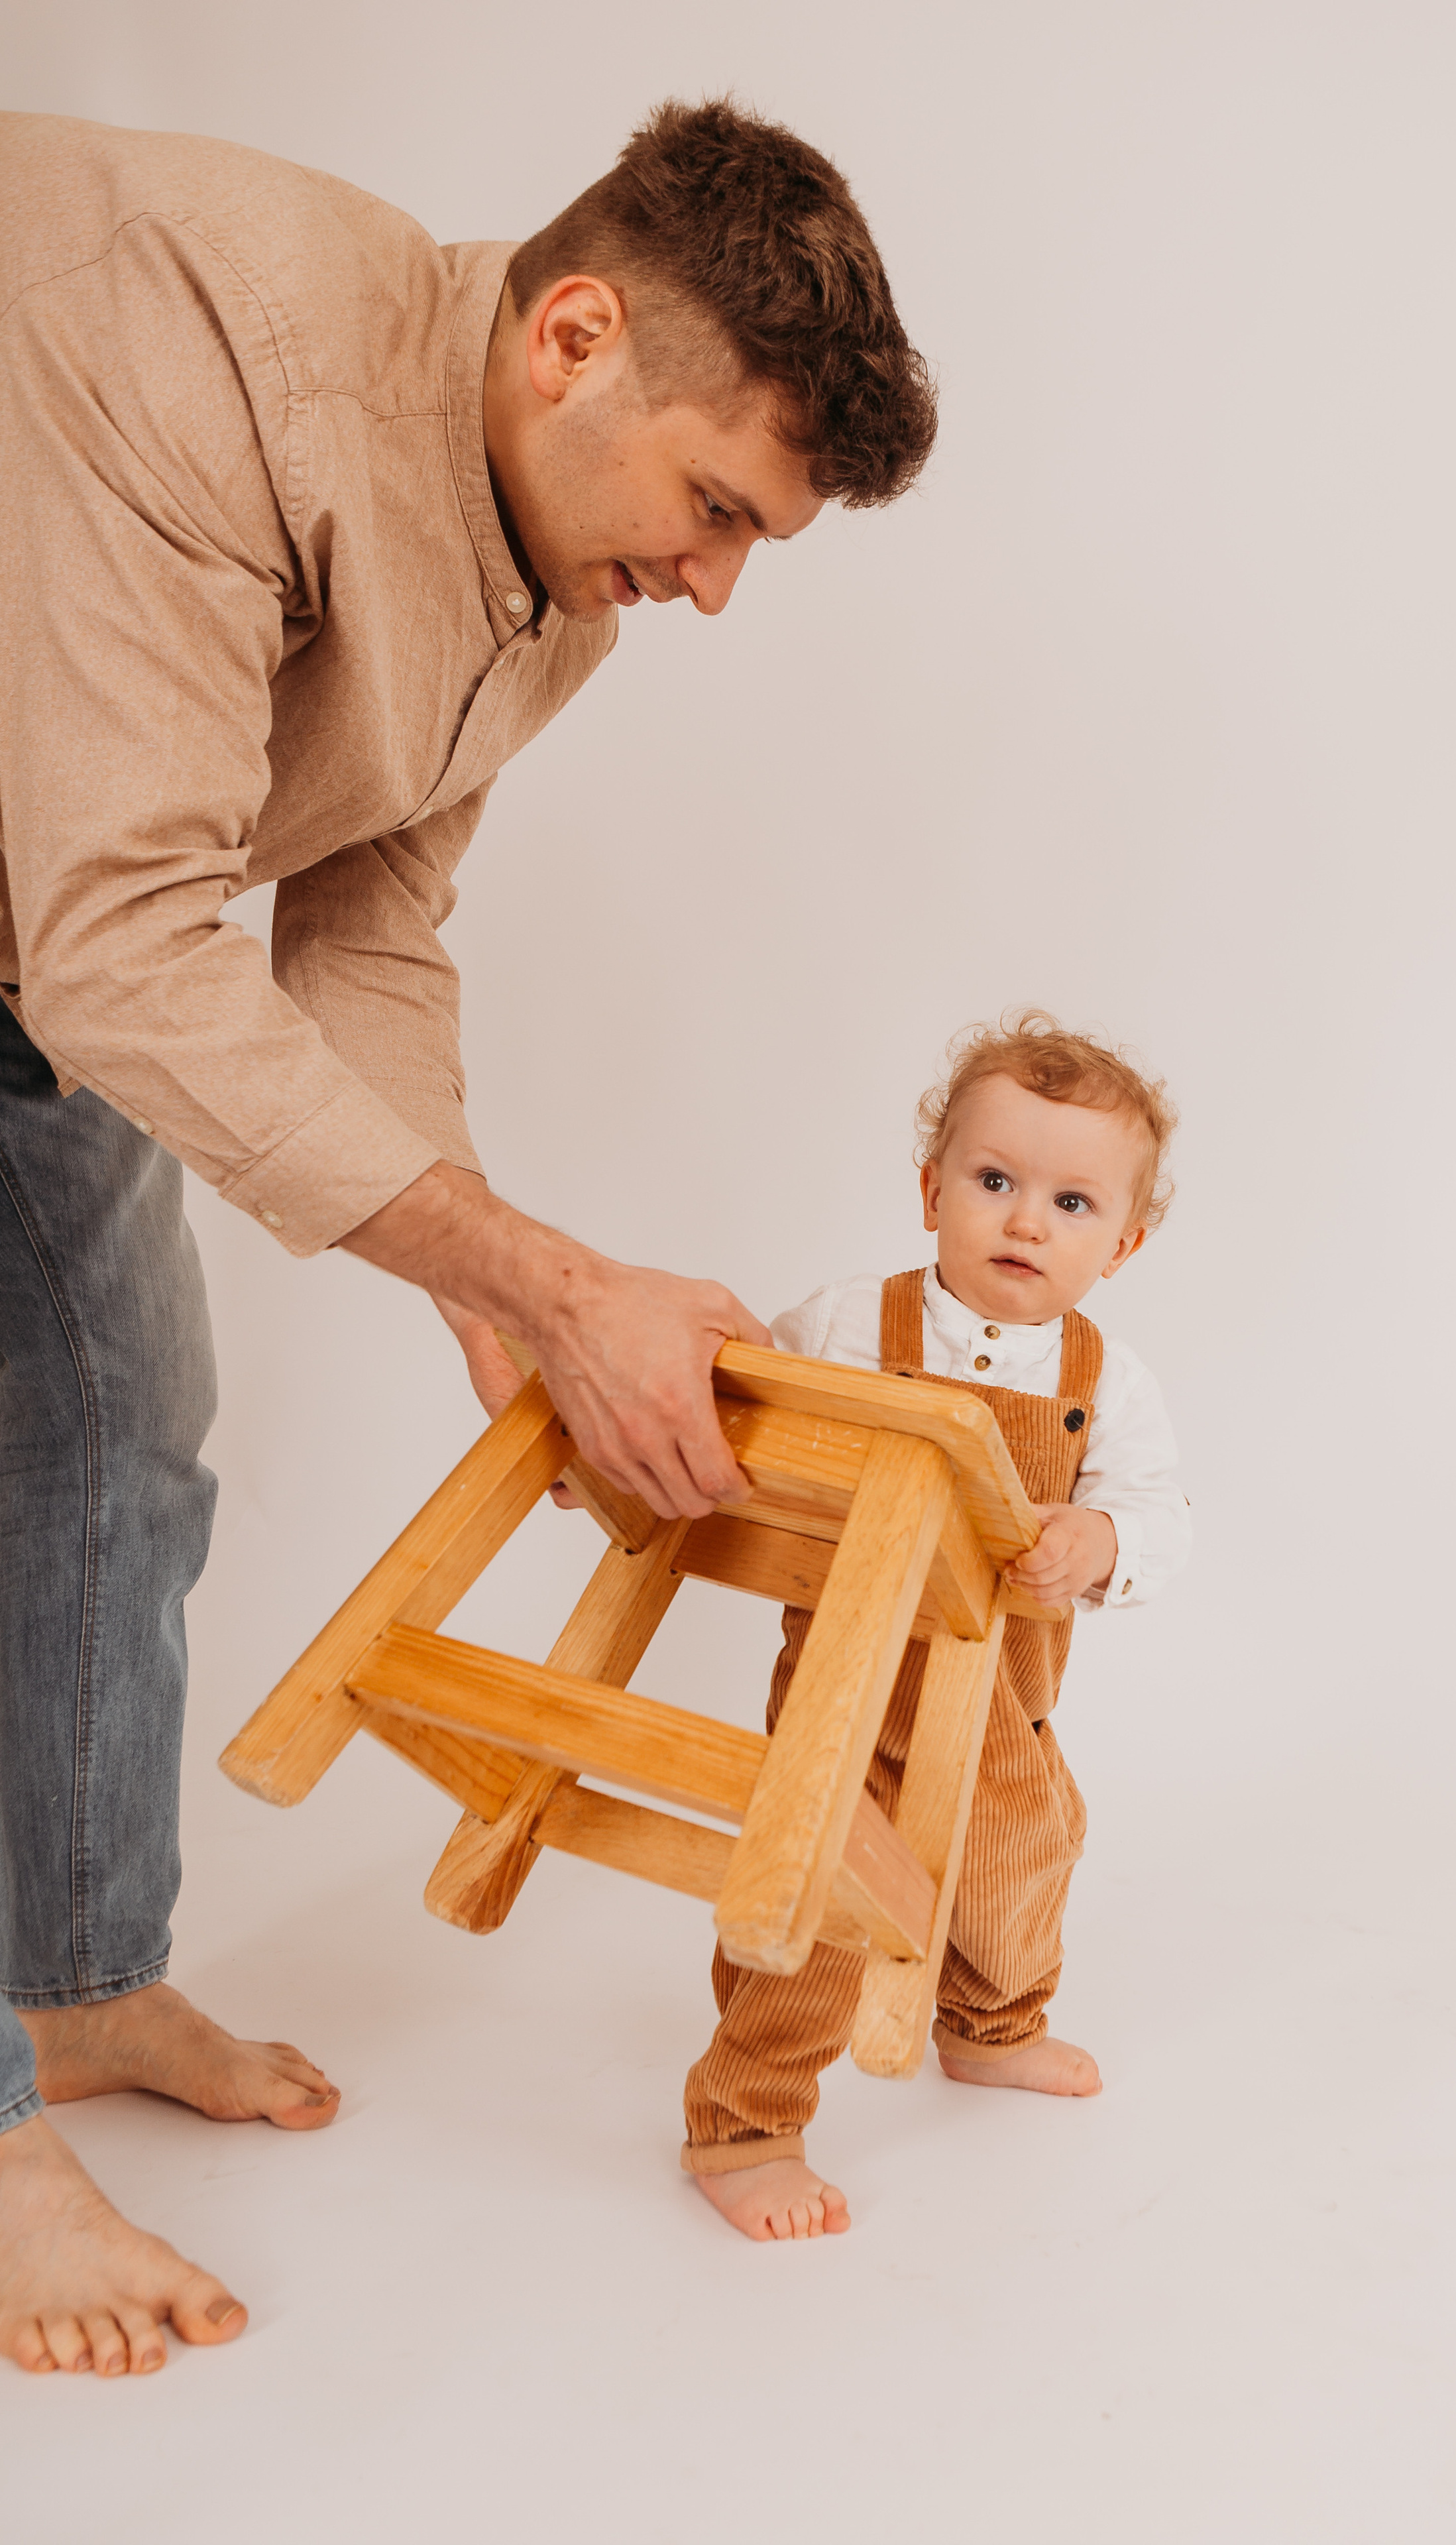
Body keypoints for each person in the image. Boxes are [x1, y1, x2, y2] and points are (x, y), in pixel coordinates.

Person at [0, 97, 935, 2373]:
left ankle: (82, 1976)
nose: (717, 584)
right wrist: (533, 1275)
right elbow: (125, 939)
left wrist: (482, 1286)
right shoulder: (190, 341)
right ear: (578, 336)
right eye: (718, 510)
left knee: (127, 1438)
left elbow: (371, 929)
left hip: (50, 925)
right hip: (69, 907)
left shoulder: (559, 563)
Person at [679, 1013, 1192, 2239]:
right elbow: (740, 1401)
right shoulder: (858, 1322)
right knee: (821, 1893)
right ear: (932, 1190)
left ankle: (990, 2024)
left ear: (1122, 1243)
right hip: (847, 1694)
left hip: (1003, 1702)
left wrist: (1102, 1542)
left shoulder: (1106, 1383)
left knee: (1026, 1856)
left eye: (1072, 1204)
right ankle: (746, 2124)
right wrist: (653, 1441)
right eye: (997, 1181)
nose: (1026, 1222)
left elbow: (1161, 1514)